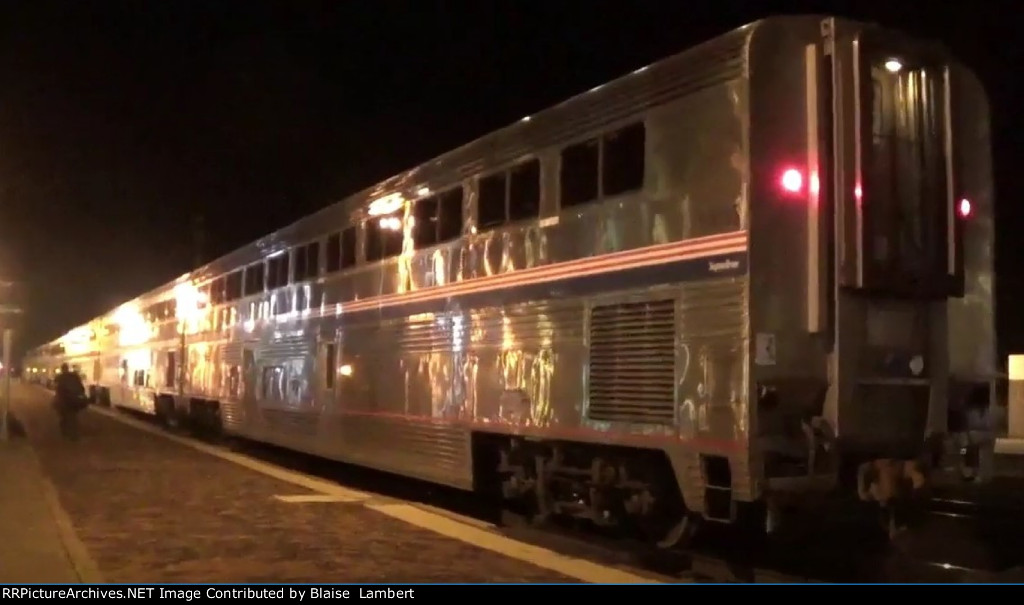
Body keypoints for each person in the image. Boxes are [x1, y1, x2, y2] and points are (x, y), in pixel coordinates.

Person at [53, 363, 87, 440]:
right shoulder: (74, 376)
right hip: (74, 400)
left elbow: (56, 386)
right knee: (74, 416)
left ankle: (64, 432)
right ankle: (74, 432)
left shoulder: (60, 377)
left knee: (62, 416)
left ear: (62, 369)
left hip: (63, 400)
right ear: (68, 368)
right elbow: (81, 387)